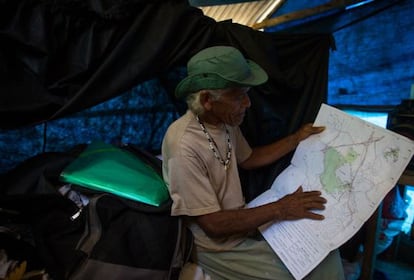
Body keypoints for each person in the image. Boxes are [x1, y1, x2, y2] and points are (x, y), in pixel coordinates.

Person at [161, 46, 345, 280]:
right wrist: (281, 208)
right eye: (238, 96)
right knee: (302, 272)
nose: (248, 103)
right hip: (216, 246)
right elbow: (213, 225)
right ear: (207, 99)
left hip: (241, 224)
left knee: (326, 254)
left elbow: (249, 159)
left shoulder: (224, 122)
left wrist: (296, 138)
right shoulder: (184, 145)